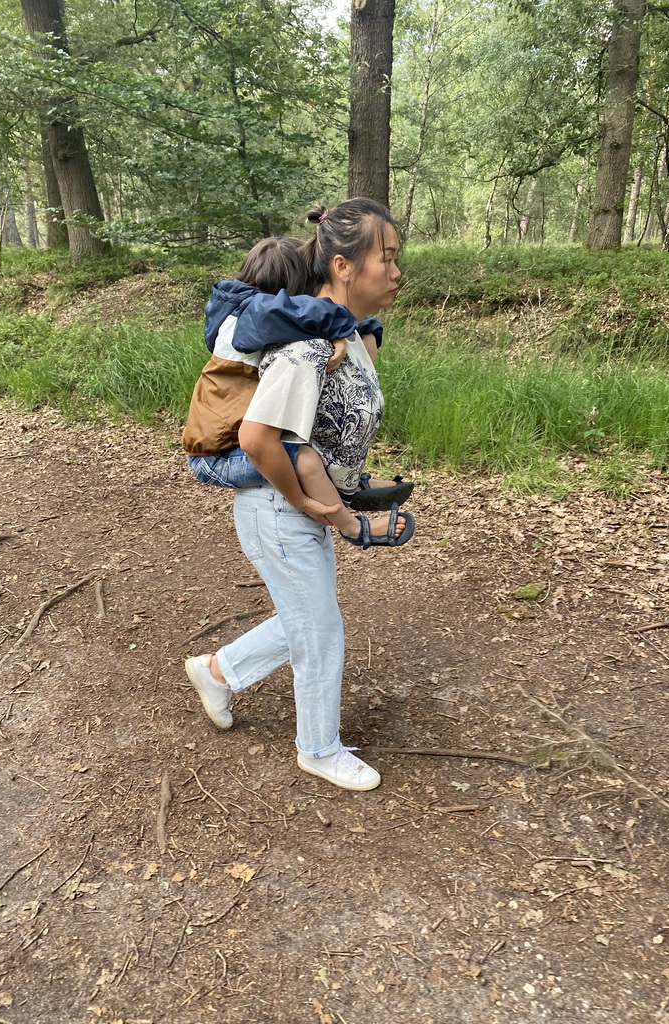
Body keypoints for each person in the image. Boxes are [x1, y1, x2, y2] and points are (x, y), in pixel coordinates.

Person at [185, 198, 410, 791]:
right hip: (276, 506)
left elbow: (323, 434)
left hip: (294, 503)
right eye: (386, 259)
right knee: (320, 628)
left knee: (308, 617)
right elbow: (261, 439)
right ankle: (318, 747)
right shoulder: (306, 347)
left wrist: (355, 489)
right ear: (342, 266)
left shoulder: (352, 337)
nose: (396, 271)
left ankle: (218, 672)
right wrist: (319, 507)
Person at [182, 235, 414, 547]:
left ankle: (351, 483)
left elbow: (323, 315)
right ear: (289, 289)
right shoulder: (250, 318)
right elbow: (301, 314)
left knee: (311, 435)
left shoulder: (249, 312)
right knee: (307, 460)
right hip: (216, 455)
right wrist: (300, 500)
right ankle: (354, 528)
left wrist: (363, 327)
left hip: (230, 441)